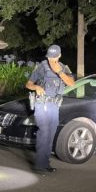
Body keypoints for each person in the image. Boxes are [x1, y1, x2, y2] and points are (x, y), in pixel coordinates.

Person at [25, 45, 75, 174]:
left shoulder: (64, 68)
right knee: (44, 132)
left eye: (54, 57)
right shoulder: (42, 66)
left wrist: (59, 72)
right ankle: (39, 165)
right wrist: (36, 87)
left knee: (51, 134)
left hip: (54, 106)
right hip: (42, 104)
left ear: (59, 56)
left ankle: (45, 163)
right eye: (49, 57)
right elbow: (28, 84)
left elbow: (71, 83)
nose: (51, 60)